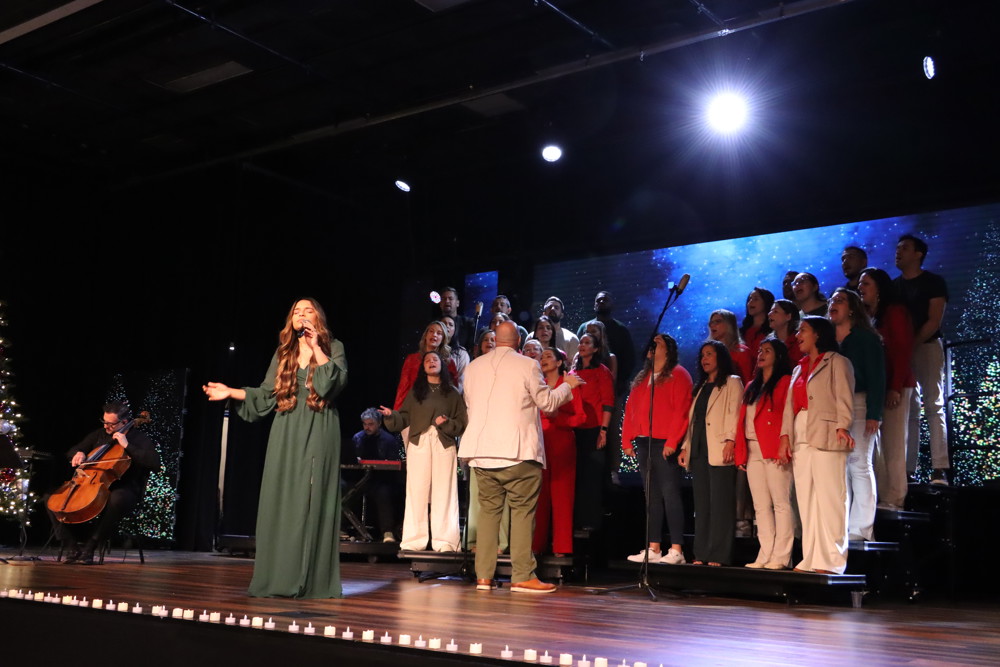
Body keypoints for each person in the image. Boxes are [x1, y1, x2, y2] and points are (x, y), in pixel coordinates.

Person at [204, 297, 347, 598]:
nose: (301, 315)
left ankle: (312, 579)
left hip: (320, 425)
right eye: (297, 311)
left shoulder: (334, 348)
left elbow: (330, 385)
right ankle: (280, 576)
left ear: (318, 318)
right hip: (286, 427)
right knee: (282, 498)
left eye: (308, 311)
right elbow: (266, 395)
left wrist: (316, 347)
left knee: (311, 498)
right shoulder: (284, 353)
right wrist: (231, 391)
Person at [458, 321, 583, 593]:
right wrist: (568, 385)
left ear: (496, 339)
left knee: (488, 515)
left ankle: (483, 577)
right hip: (517, 453)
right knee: (523, 514)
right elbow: (547, 402)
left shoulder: (473, 367)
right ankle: (522, 575)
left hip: (482, 452)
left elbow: (469, 405)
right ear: (517, 341)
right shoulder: (527, 365)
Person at [781, 316, 855, 574]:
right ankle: (812, 558)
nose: (797, 335)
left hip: (827, 434)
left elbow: (845, 397)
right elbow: (789, 406)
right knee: (807, 500)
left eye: (803, 330)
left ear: (818, 334)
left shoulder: (837, 362)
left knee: (831, 499)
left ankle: (832, 561)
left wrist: (843, 425)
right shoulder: (798, 368)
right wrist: (785, 436)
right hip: (801, 435)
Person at [48, 401, 161, 565]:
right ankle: (71, 546)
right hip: (91, 484)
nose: (106, 426)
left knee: (118, 499)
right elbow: (73, 450)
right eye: (104, 422)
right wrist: (78, 453)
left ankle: (91, 546)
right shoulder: (100, 434)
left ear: (123, 422)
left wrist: (127, 445)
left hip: (124, 487)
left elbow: (154, 463)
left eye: (111, 424)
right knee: (51, 499)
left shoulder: (138, 438)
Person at [380, 350, 467, 552]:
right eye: (427, 360)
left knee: (444, 492)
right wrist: (391, 416)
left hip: (443, 444)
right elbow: (403, 418)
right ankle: (414, 541)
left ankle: (445, 542)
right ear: (423, 367)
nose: (431, 362)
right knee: (416, 491)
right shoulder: (416, 392)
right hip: (419, 443)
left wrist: (446, 423)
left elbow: (461, 422)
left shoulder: (452, 393)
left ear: (442, 365)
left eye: (435, 359)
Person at [622, 334, 692, 566]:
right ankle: (654, 547)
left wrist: (673, 440)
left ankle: (677, 549)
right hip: (644, 442)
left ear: (668, 350)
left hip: (664, 443)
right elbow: (631, 408)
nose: (653, 345)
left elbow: (682, 410)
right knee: (651, 497)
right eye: (651, 342)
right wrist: (626, 439)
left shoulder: (679, 374)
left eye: (658, 342)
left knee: (670, 494)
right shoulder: (643, 378)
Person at [678, 340, 743, 566]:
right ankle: (701, 553)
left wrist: (731, 441)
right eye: (702, 355)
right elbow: (694, 421)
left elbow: (735, 412)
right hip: (699, 449)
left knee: (720, 504)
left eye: (709, 354)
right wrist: (686, 446)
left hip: (719, 447)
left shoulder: (732, 382)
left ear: (720, 357)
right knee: (702, 504)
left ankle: (719, 554)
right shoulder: (701, 386)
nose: (704, 359)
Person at [828, 288, 885, 542]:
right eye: (832, 300)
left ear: (852, 309)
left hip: (859, 403)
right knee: (839, 468)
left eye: (840, 300)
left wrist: (874, 413)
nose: (833, 303)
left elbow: (877, 377)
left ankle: (861, 529)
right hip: (833, 408)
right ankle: (841, 526)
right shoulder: (828, 342)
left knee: (859, 464)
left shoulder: (865, 338)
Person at [894, 233, 950, 485]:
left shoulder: (933, 282)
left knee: (933, 405)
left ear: (918, 254)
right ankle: (908, 470)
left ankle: (939, 468)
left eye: (904, 248)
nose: (898, 252)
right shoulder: (894, 287)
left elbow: (934, 320)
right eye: (897, 248)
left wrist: (910, 344)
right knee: (910, 410)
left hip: (926, 346)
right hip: (903, 351)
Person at [859, 267, 916, 510]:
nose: (860, 288)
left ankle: (895, 498)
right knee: (878, 447)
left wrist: (895, 387)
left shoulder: (895, 312)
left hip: (896, 384)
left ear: (880, 287)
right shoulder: (868, 316)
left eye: (866, 283)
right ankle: (883, 496)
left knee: (893, 443)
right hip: (878, 386)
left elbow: (902, 350)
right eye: (860, 284)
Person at [735, 339, 794, 569]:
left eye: (767, 350)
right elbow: (742, 420)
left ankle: (782, 555)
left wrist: (784, 444)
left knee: (780, 503)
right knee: (760, 505)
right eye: (760, 349)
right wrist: (741, 452)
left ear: (778, 356)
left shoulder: (785, 381)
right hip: (753, 448)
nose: (761, 353)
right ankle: (765, 552)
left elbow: (785, 415)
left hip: (773, 446)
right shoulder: (752, 385)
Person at [533, 347, 585, 557]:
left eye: (548, 356)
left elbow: (580, 417)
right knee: (539, 494)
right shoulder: (539, 385)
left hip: (562, 442)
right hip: (540, 442)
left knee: (562, 495)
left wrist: (557, 417)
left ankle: (562, 546)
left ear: (559, 362)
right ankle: (536, 545)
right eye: (541, 357)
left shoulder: (569, 383)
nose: (543, 359)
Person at [571, 332, 615, 531]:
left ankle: (591, 521)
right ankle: (577, 520)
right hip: (575, 429)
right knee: (578, 475)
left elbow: (608, 402)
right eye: (581, 342)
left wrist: (603, 431)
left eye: (587, 342)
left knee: (592, 476)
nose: (582, 345)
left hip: (595, 429)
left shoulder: (602, 371)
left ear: (596, 349)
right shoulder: (573, 373)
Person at [351, 408, 402, 543]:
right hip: (360, 479)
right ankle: (345, 529)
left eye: (371, 424)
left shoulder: (389, 440)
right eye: (365, 424)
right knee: (345, 489)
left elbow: (394, 465)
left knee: (383, 492)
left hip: (382, 479)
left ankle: (387, 532)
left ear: (379, 423)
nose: (367, 427)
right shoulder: (357, 438)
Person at [576, 290, 636, 397]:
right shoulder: (584, 327)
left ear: (612, 305)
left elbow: (629, 359)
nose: (601, 302)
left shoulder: (621, 330)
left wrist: (621, 382)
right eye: (598, 300)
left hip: (612, 388)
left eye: (605, 300)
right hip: (584, 388)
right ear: (594, 306)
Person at [393, 321, 457, 411]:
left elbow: (453, 393)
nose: (434, 335)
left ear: (443, 339)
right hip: (414, 408)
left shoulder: (448, 363)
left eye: (439, 333)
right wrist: (397, 414)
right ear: (426, 335)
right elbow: (403, 389)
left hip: (438, 410)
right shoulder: (412, 360)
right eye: (431, 331)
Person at [708, 309, 753, 383]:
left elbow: (746, 382)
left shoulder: (741, 352)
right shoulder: (709, 353)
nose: (712, 325)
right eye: (711, 322)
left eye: (718, 321)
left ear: (729, 325)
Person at [740, 288, 775, 362]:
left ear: (766, 302)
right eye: (749, 299)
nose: (750, 302)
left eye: (756, 299)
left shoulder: (773, 331)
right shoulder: (741, 331)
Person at [540, 296, 580, 361]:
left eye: (556, 307)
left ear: (561, 315)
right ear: (544, 314)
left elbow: (574, 365)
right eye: (549, 307)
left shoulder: (571, 338)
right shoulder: (532, 337)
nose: (552, 309)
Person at [439, 286, 477, 351]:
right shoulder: (435, 324)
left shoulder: (468, 323)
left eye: (450, 299)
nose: (447, 301)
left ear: (457, 303)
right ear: (440, 303)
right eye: (444, 299)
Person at [768, 299, 803, 363]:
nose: (769, 314)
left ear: (788, 316)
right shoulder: (767, 343)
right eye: (770, 311)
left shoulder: (800, 341)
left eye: (775, 311)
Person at [441, 316, 470, 382]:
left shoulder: (461, 353)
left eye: (451, 325)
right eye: (444, 323)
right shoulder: (431, 348)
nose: (447, 326)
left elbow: (462, 379)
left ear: (454, 330)